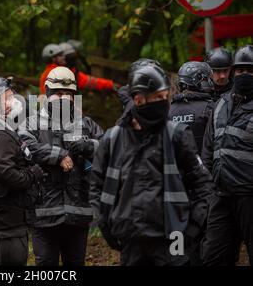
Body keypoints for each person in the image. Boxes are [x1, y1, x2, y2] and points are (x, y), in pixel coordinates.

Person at [91, 65, 212, 266]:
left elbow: (203, 185)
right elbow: (97, 185)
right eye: (157, 97)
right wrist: (105, 225)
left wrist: (190, 230)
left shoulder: (177, 136)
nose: (164, 103)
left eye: (165, 97)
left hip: (173, 239)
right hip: (131, 240)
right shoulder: (113, 139)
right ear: (138, 100)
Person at [19, 66, 104, 266]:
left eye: (68, 94)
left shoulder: (86, 124)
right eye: (58, 93)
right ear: (48, 94)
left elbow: (108, 147)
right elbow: (24, 147)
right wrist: (58, 155)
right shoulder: (31, 123)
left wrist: (88, 145)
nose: (64, 98)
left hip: (78, 211)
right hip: (44, 212)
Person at [0, 77, 45, 266]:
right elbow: (3, 171)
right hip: (6, 218)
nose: (15, 101)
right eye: (9, 97)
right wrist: (32, 174)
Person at [201, 45, 253, 266]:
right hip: (221, 195)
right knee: (214, 258)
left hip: (250, 197)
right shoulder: (222, 103)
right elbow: (208, 149)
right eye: (240, 71)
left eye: (250, 71)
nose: (244, 75)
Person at [169, 61, 214, 154]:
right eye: (206, 79)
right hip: (203, 166)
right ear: (198, 81)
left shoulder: (169, 109)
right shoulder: (210, 108)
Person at [39, 43, 115, 94]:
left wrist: (111, 84)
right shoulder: (56, 73)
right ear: (53, 59)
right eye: (61, 55)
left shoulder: (67, 72)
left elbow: (89, 81)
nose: (64, 57)